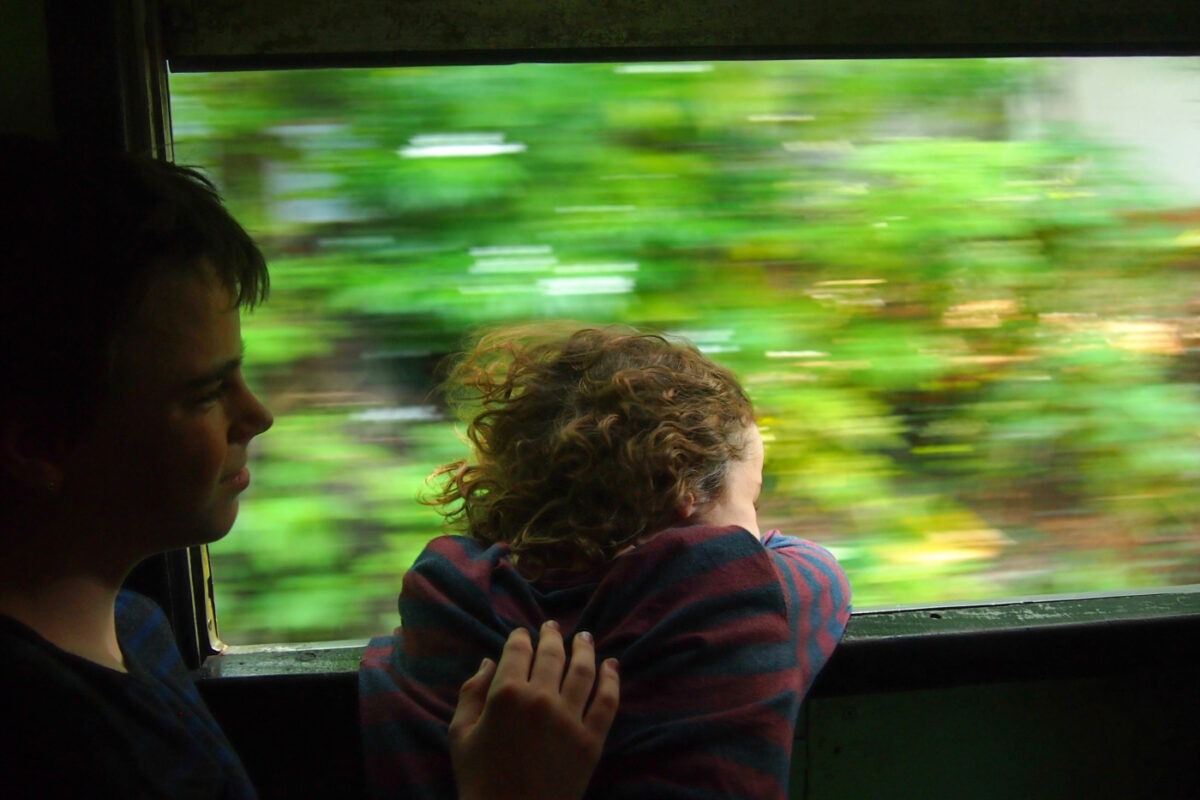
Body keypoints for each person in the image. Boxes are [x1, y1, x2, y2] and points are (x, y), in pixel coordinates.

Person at [0, 136, 617, 799]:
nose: (258, 415)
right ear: (40, 442)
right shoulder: (57, 748)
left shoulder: (136, 630)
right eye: (206, 394)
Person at [360, 323, 852, 800]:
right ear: (684, 489)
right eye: (752, 500)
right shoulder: (727, 594)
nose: (756, 534)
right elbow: (816, 569)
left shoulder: (447, 601)